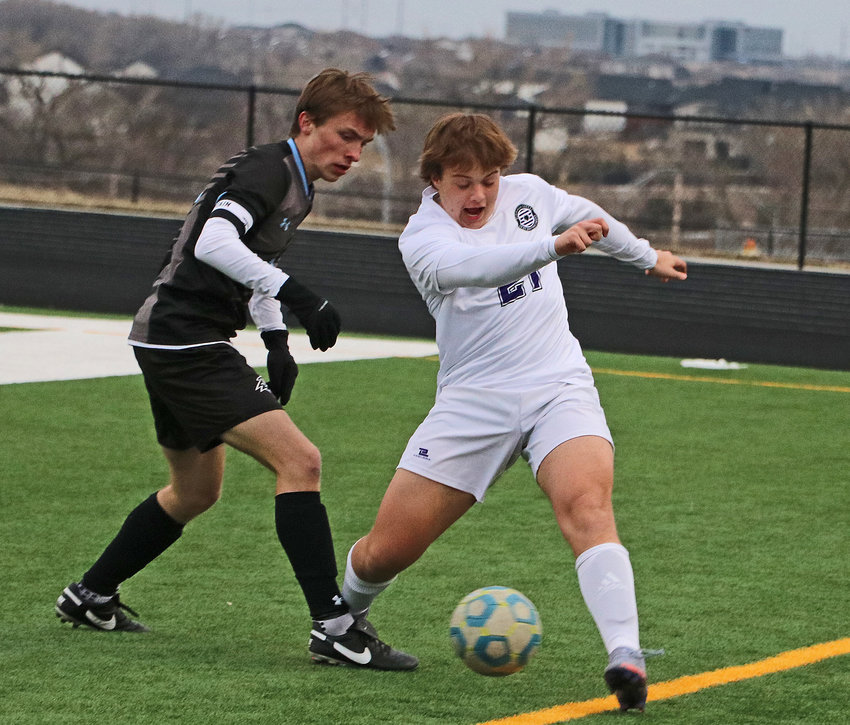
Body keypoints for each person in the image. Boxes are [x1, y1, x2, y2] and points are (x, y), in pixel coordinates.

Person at [55, 68, 417, 671]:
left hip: (171, 339)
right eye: (346, 136)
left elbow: (251, 261)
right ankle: (334, 626)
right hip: (186, 340)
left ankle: (89, 595)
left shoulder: (291, 178)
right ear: (307, 123)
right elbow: (214, 245)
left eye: (363, 145)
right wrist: (298, 295)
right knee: (300, 462)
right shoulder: (267, 171)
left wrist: (275, 336)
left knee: (196, 491)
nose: (354, 154)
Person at [340, 113, 688, 707]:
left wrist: (646, 256)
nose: (479, 194)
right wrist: (551, 247)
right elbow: (472, 270)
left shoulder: (530, 194)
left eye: (490, 180)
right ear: (434, 180)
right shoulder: (423, 238)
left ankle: (625, 655)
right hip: (474, 402)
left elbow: (591, 218)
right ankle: (340, 617)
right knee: (386, 551)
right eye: (463, 181)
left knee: (588, 504)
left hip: (558, 384)